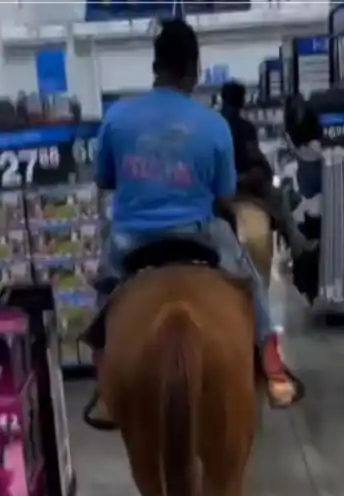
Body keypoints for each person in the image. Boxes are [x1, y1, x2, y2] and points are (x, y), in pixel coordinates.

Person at [91, 18, 295, 409]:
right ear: (193, 69)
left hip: (130, 238)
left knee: (103, 295)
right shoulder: (213, 125)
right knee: (250, 280)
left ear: (154, 66)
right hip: (198, 233)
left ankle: (104, 379)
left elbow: (103, 179)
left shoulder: (117, 117)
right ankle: (272, 367)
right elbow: (223, 195)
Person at [219, 80, 313, 256]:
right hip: (242, 185)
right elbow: (254, 155)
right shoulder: (245, 128)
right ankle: (296, 242)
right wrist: (266, 170)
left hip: (215, 190)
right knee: (279, 197)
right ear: (242, 101)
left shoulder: (211, 125)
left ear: (222, 99)